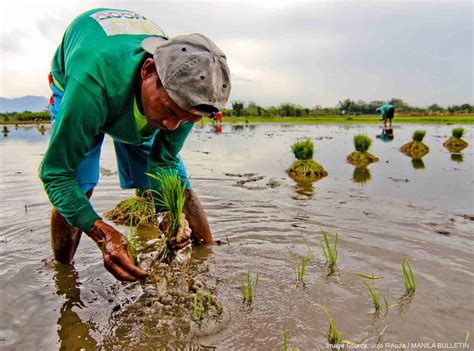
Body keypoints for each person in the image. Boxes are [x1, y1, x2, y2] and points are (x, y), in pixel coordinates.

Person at [39, 8, 231, 282]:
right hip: (87, 73)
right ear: (148, 70)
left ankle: (208, 260)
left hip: (130, 86)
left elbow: (164, 161)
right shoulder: (90, 85)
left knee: (175, 183)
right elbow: (57, 174)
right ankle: (63, 274)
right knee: (80, 182)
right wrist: (103, 232)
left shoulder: (186, 95)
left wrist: (167, 213)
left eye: (186, 119)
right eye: (169, 110)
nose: (171, 127)